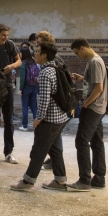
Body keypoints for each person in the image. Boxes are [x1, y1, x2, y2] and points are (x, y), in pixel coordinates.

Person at [10, 42, 69, 192]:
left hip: (49, 119)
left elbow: (44, 99)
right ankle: (60, 180)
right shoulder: (55, 67)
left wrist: (38, 118)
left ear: (44, 55)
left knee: (38, 151)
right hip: (60, 118)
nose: (34, 53)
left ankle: (28, 181)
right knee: (54, 150)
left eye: (37, 51)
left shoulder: (45, 73)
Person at [68, 38, 107, 191]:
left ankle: (84, 180)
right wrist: (83, 78)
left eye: (77, 53)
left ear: (82, 48)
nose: (78, 56)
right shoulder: (97, 60)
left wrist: (86, 103)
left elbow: (99, 88)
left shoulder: (94, 62)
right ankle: (99, 178)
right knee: (97, 142)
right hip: (99, 108)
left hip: (93, 108)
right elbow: (95, 82)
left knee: (81, 141)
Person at [0, 23, 21, 163]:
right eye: (3, 35)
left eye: (7, 35)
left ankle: (8, 152)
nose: (5, 38)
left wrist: (12, 66)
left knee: (8, 119)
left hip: (7, 84)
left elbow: (19, 60)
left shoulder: (10, 45)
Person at [36, 30, 66, 171]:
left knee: (54, 135)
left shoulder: (55, 60)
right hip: (56, 104)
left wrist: (39, 117)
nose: (37, 44)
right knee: (55, 136)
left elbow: (58, 81)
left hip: (56, 105)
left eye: (39, 42)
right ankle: (53, 159)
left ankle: (54, 160)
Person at [18, 46, 39, 131]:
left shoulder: (23, 64)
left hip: (26, 87)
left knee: (25, 107)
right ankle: (37, 124)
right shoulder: (33, 62)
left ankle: (24, 125)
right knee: (34, 106)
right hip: (34, 86)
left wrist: (20, 89)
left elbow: (22, 78)